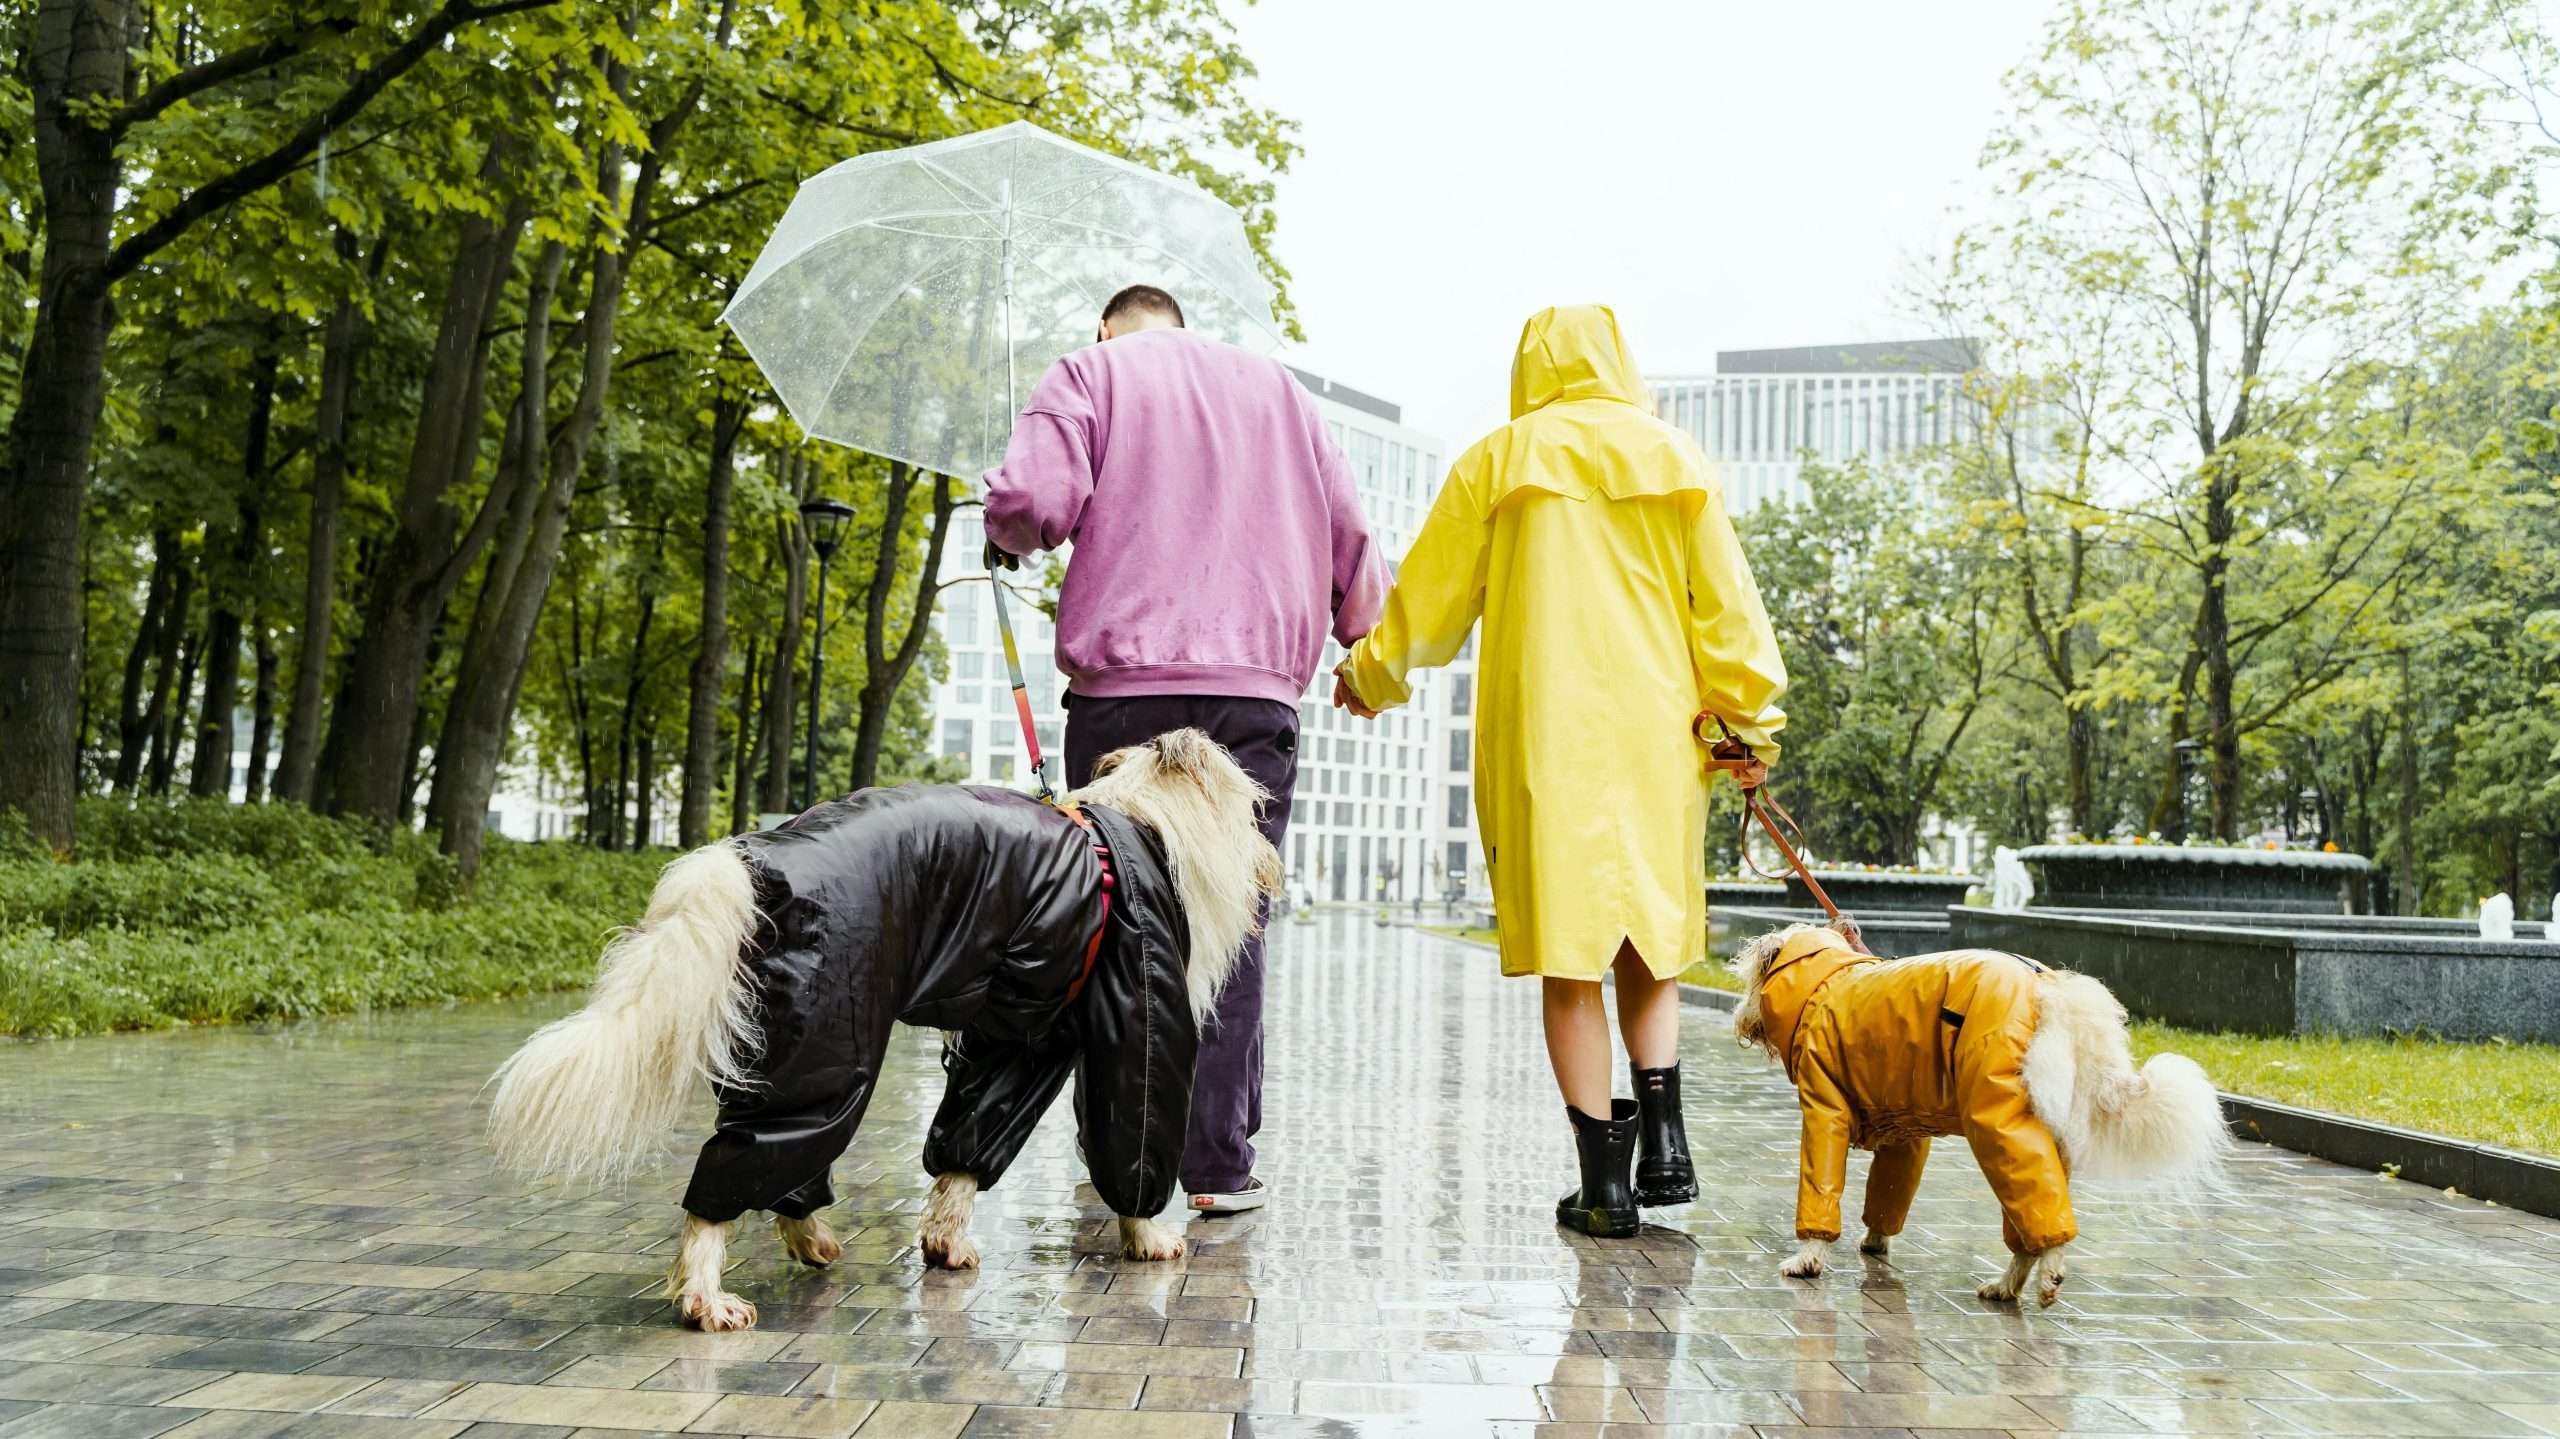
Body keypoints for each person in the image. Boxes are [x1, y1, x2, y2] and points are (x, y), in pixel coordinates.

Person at [1333, 304, 1786, 1237]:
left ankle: (1604, 1186)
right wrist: (1748, 726)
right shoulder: (1676, 459)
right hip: (1660, 735)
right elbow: (1728, 611)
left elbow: (1428, 600)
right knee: (1650, 940)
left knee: (1571, 956)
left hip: (1549, 733)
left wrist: (1370, 676)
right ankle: (1665, 1141)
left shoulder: (1497, 462)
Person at [983, 282, 1387, 1216]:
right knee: (1231, 920)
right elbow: (1352, 540)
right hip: (1254, 698)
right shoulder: (1280, 392)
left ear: (1106, 328)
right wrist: (1361, 637)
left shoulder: (1088, 373)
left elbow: (1033, 505)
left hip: (1127, 702)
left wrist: (1005, 525)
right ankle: (1212, 1165)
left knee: (1110, 920)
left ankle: (1124, 1160)